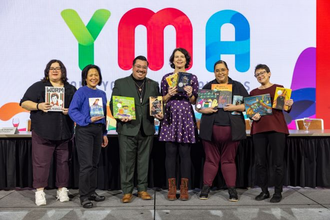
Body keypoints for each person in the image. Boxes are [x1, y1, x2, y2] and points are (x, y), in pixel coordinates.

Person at [20, 59, 76, 206]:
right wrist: (38, 105)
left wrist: (70, 111)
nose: (55, 70)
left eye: (58, 68)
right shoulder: (38, 87)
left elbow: (78, 108)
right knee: (41, 164)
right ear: (47, 72)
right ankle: (39, 191)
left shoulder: (70, 89)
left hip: (65, 133)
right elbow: (24, 103)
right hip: (42, 132)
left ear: (63, 71)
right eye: (52, 68)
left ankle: (62, 189)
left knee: (64, 163)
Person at [110, 55, 163, 203]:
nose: (141, 70)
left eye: (144, 67)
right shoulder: (121, 83)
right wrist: (120, 117)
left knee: (144, 161)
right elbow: (113, 104)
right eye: (138, 66)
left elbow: (156, 104)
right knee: (126, 161)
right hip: (127, 128)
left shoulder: (153, 84)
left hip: (146, 128)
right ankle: (127, 191)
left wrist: (159, 113)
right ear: (132, 67)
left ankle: (142, 189)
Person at [197, 60, 248, 201]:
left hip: (232, 131)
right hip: (210, 131)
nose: (220, 73)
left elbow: (250, 105)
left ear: (228, 71)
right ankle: (205, 188)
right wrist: (203, 109)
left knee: (229, 161)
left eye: (223, 70)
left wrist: (235, 108)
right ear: (214, 72)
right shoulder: (208, 86)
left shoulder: (237, 86)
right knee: (210, 160)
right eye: (217, 70)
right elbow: (198, 107)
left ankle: (232, 190)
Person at [159, 48, 199, 201]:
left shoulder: (193, 78)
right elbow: (161, 100)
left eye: (182, 57)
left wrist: (190, 93)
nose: (179, 59)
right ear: (173, 60)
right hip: (169, 116)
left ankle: (184, 189)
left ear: (186, 60)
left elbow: (195, 102)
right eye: (176, 57)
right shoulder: (166, 78)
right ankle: (171, 188)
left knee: (185, 154)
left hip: (186, 118)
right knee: (170, 154)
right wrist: (169, 93)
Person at [250, 64, 293, 203]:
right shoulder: (253, 93)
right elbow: (250, 112)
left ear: (269, 73)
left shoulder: (279, 89)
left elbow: (286, 108)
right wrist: (252, 116)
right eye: (257, 74)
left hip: (277, 129)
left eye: (262, 73)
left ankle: (278, 192)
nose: (260, 75)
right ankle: (264, 191)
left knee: (278, 162)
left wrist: (289, 104)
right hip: (259, 130)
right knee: (260, 162)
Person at [68, 64, 108, 208]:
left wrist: (104, 133)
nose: (93, 77)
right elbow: (72, 111)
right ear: (85, 78)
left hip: (98, 131)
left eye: (96, 75)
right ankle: (84, 196)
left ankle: (91, 192)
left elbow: (103, 115)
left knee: (94, 164)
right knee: (86, 165)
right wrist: (87, 119)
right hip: (84, 130)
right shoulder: (81, 92)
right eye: (90, 75)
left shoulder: (102, 94)